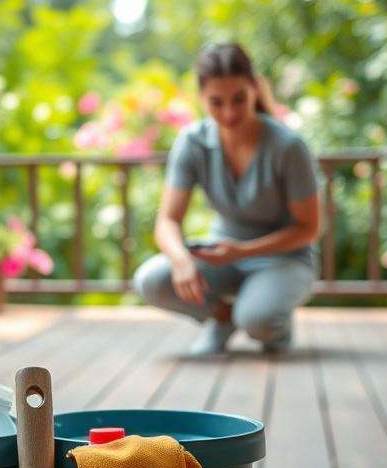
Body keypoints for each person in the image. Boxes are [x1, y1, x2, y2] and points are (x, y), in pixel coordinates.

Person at [133, 43, 321, 354]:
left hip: (284, 259)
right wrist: (181, 261)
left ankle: (272, 323)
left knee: (259, 319)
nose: (229, 113)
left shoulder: (288, 147)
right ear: (201, 98)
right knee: (152, 280)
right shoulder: (192, 142)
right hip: (222, 254)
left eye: (239, 99)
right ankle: (223, 319)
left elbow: (308, 229)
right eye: (216, 102)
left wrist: (244, 251)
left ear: (255, 88)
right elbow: (167, 221)